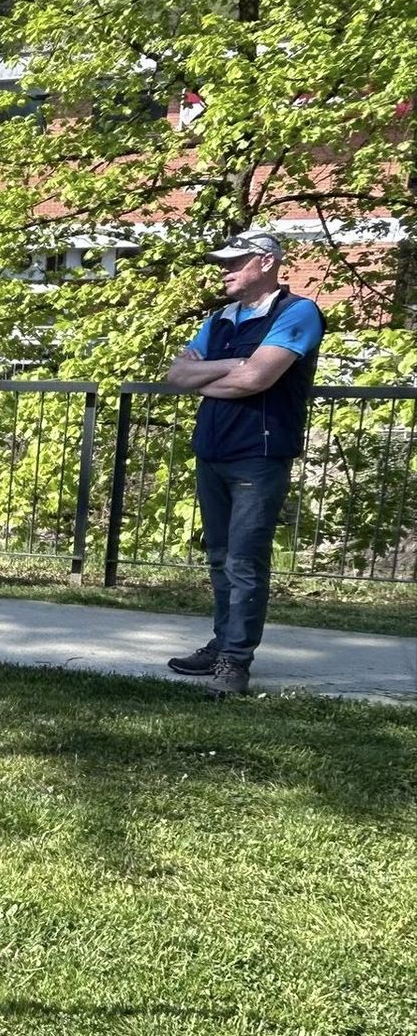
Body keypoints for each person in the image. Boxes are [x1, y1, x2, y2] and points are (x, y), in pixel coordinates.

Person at [164, 230, 325, 698]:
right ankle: (222, 644)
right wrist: (234, 366)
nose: (225, 270)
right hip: (213, 451)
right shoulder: (221, 319)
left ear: (267, 261)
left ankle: (235, 662)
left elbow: (258, 378)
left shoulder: (298, 312)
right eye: (223, 262)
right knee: (218, 557)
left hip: (259, 454)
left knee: (244, 561)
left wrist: (214, 374)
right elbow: (177, 375)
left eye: (235, 262)